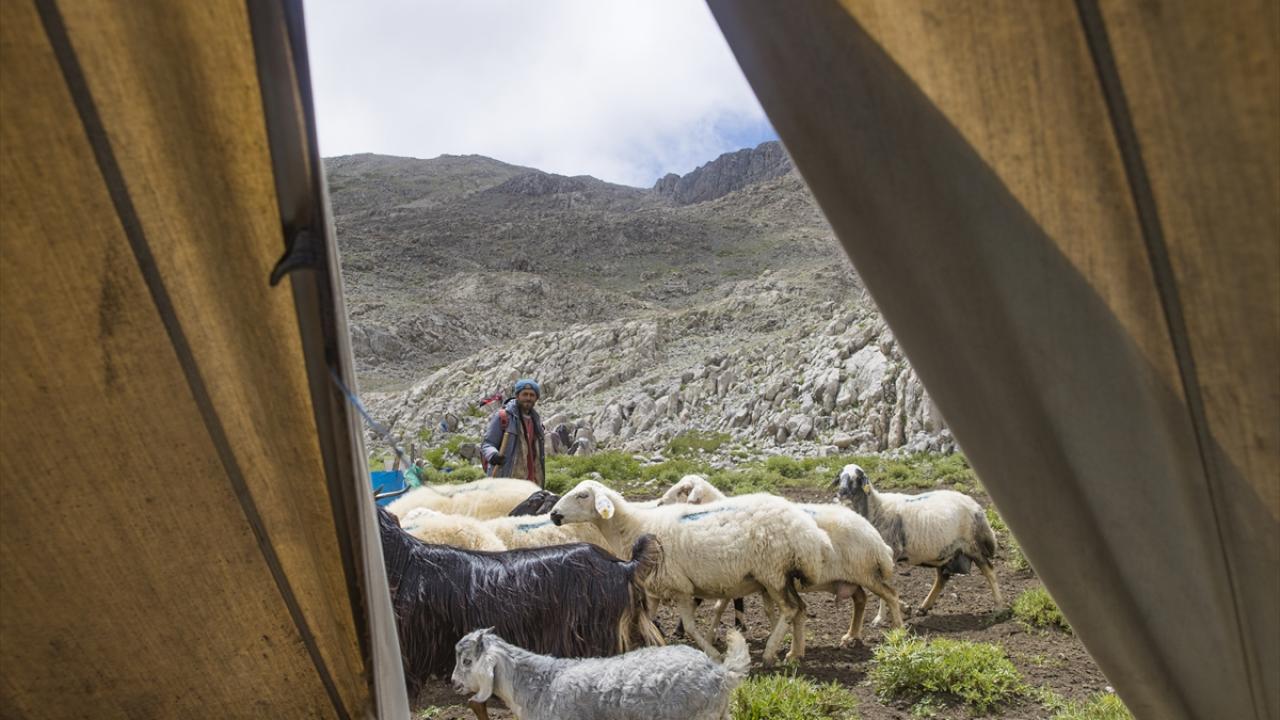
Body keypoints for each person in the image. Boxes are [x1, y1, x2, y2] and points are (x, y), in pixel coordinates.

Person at [481, 378, 546, 487]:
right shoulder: (503, 417)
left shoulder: (536, 422)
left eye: (532, 395)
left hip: (531, 483)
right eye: (525, 394)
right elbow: (487, 444)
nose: (528, 398)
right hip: (506, 481)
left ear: (536, 398)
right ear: (517, 396)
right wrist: (493, 455)